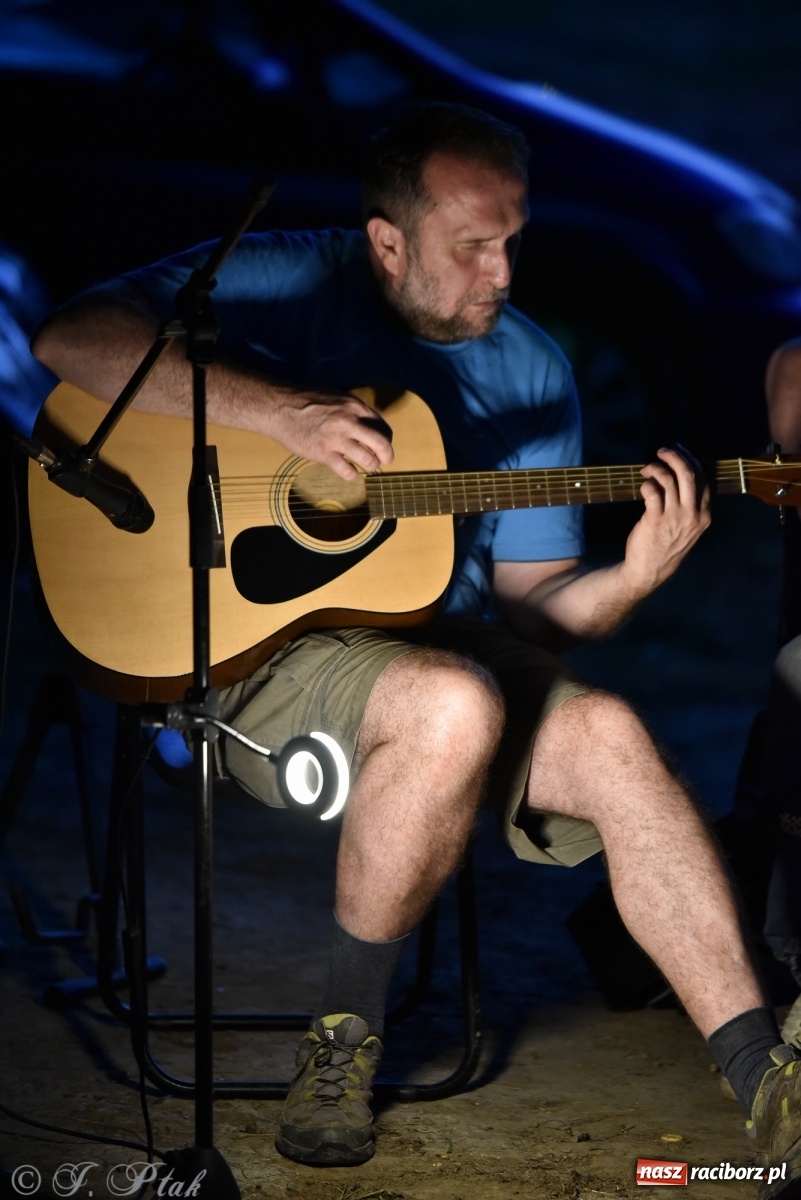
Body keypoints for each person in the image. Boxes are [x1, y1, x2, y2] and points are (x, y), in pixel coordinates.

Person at [30, 101, 801, 1189]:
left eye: (513, 240)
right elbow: (69, 340)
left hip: (440, 649)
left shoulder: (533, 371)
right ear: (388, 242)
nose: (503, 271)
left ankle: (768, 1080)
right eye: (472, 247)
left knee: (613, 734)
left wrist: (632, 579)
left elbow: (534, 613)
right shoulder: (290, 280)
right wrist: (281, 418)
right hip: (259, 656)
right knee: (453, 704)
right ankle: (341, 1044)